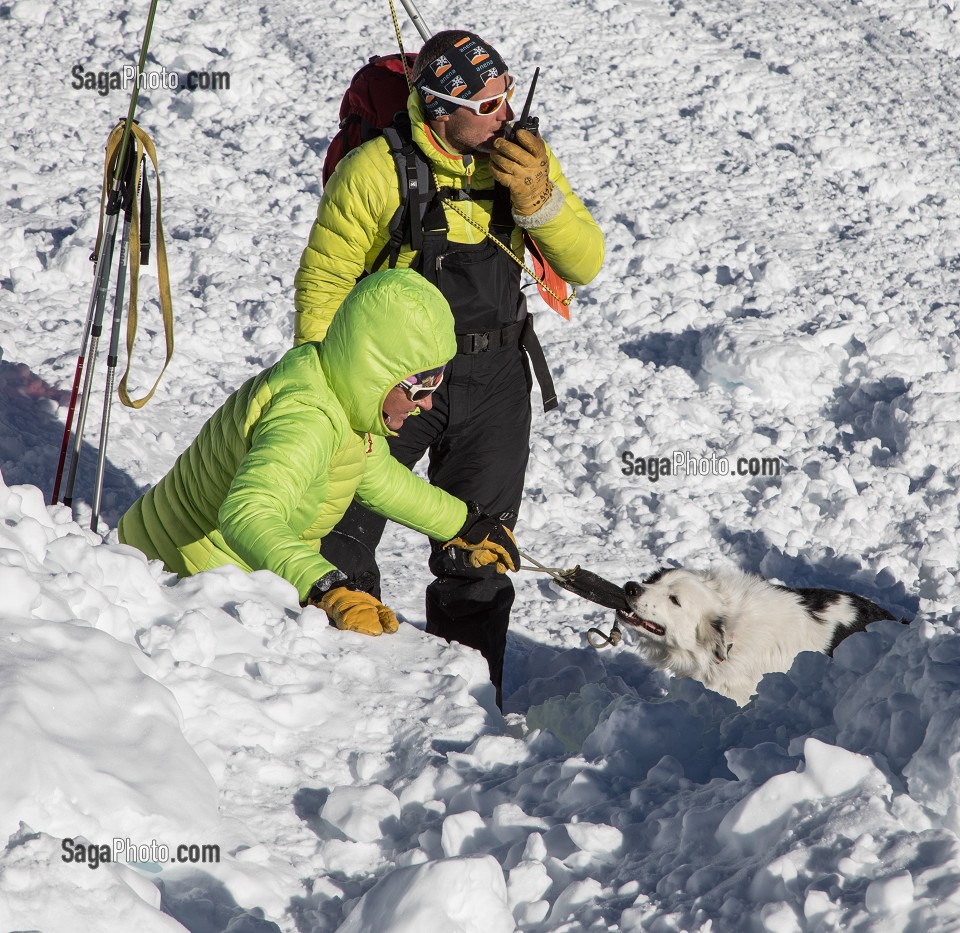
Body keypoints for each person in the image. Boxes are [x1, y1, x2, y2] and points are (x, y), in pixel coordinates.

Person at [293, 28, 604, 703]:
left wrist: (540, 200)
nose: (506, 116)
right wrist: (331, 398)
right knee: (340, 527)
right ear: (439, 110)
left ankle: (470, 707)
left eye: (507, 97)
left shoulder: (523, 163)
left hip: (496, 381)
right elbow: (322, 285)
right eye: (487, 105)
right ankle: (350, 688)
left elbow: (586, 261)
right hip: (397, 382)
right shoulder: (375, 171)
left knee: (479, 553)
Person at [118, 269, 520, 634]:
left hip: (230, 575)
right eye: (419, 388)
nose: (427, 404)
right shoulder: (306, 417)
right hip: (170, 583)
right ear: (376, 368)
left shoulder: (344, 394)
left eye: (436, 385)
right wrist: (328, 587)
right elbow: (248, 514)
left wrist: (465, 525)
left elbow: (377, 478)